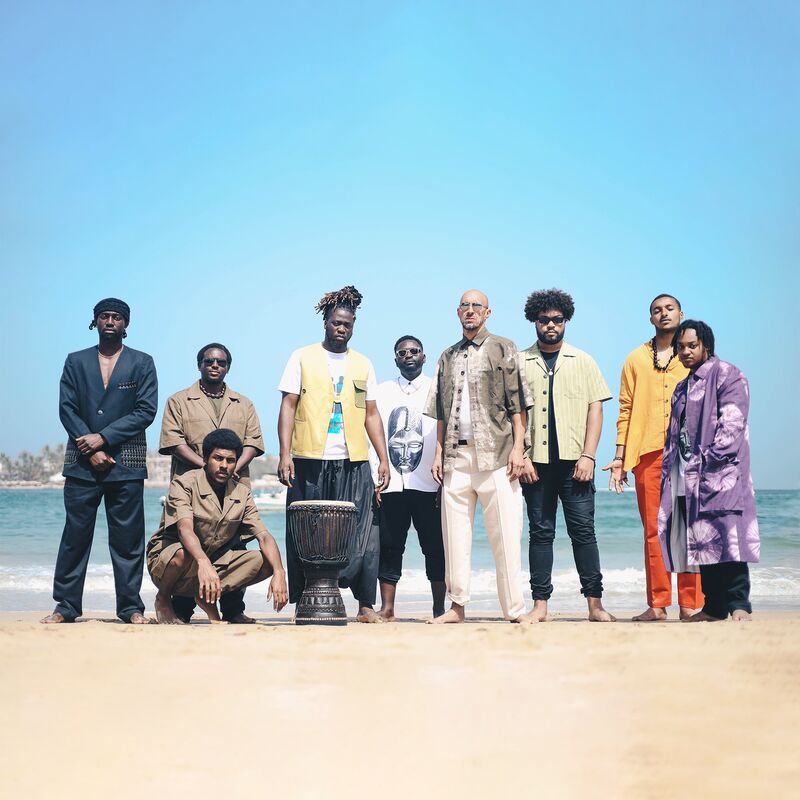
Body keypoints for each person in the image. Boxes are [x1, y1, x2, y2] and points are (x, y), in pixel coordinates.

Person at [277, 286, 389, 624]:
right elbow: (288, 406)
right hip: (309, 458)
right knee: (305, 531)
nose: (342, 328)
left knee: (365, 532)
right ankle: (304, 598)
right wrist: (285, 454)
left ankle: (365, 603)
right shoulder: (301, 356)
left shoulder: (363, 363)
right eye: (337, 322)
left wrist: (382, 459)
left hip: (353, 459)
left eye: (348, 324)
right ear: (325, 322)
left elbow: (371, 413)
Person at [42, 298, 158, 624]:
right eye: (104, 316)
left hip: (126, 464)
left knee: (128, 542)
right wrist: (90, 448)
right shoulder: (75, 361)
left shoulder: (142, 362)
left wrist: (104, 438)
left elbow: (146, 411)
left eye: (117, 317)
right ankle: (65, 607)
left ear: (126, 325)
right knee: (75, 538)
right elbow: (67, 408)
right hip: (81, 464)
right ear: (95, 322)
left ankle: (131, 608)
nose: (110, 321)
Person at [425, 289, 530, 624]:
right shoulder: (447, 355)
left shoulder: (504, 347)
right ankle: (456, 608)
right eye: (465, 306)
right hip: (457, 458)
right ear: (458, 313)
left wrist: (519, 448)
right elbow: (441, 411)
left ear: (488, 312)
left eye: (476, 306)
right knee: (454, 539)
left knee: (507, 537)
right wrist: (439, 452)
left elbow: (518, 404)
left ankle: (515, 610)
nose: (470, 311)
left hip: (497, 456)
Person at [602, 294, 703, 621]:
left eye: (669, 309)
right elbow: (626, 409)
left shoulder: (695, 354)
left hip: (689, 453)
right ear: (650, 319)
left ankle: (691, 604)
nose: (664, 314)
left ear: (681, 314)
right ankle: (658, 604)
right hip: (647, 453)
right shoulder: (635, 359)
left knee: (690, 529)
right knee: (654, 531)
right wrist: (619, 457)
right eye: (657, 310)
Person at [519, 289, 616, 622]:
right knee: (540, 533)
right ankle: (540, 605)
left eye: (557, 319)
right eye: (544, 319)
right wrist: (522, 456)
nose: (550, 325)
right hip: (536, 465)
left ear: (566, 321)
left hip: (576, 464)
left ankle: (595, 604)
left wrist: (589, 456)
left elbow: (596, 408)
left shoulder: (584, 360)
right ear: (534, 320)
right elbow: (512, 414)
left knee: (583, 532)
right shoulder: (519, 361)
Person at [659, 321, 759, 622]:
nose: (686, 352)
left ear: (706, 346)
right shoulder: (682, 387)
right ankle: (714, 608)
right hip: (688, 478)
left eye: (692, 346)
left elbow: (733, 424)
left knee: (730, 540)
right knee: (705, 543)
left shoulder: (728, 374)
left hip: (721, 475)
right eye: (681, 347)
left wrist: (708, 463)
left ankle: (740, 605)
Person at [158, 342, 265, 623]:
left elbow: (253, 442)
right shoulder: (178, 401)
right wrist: (205, 466)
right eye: (209, 361)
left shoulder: (244, 404)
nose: (214, 366)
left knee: (235, 546)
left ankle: (233, 610)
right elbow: (173, 441)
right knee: (190, 542)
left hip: (233, 488)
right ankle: (181, 608)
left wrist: (230, 469)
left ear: (228, 367)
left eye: (221, 362)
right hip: (193, 486)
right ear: (199, 365)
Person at [147, 429, 288, 624]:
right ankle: (162, 599)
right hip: (170, 561)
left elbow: (263, 536)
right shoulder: (184, 484)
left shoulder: (241, 492)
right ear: (206, 459)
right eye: (218, 458)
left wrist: (280, 572)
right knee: (183, 553)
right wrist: (203, 563)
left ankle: (204, 595)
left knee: (267, 561)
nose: (224, 466)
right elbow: (184, 529)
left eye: (230, 461)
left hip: (211, 564)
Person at [373, 336, 446, 620]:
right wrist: (375, 474)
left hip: (430, 482)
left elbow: (445, 434)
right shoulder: (381, 391)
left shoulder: (436, 389)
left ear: (424, 357)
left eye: (414, 351)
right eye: (402, 353)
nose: (408, 356)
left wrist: (446, 478)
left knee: (435, 547)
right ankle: (388, 608)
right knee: (390, 545)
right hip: (392, 484)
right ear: (395, 360)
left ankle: (439, 606)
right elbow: (374, 435)